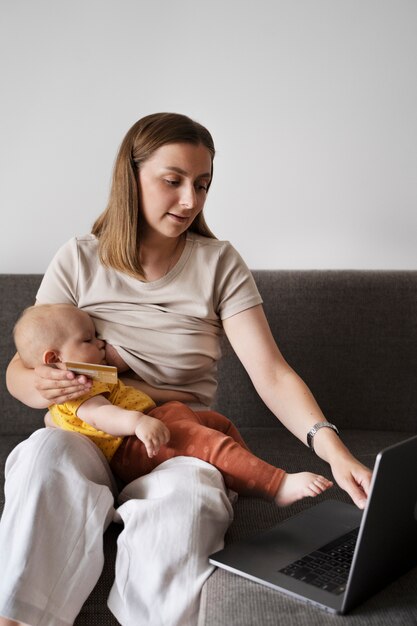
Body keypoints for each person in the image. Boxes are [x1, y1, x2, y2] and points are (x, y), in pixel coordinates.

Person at [1, 112, 372, 626]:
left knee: (190, 494)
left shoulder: (218, 263)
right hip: (90, 430)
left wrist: (334, 451)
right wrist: (37, 382)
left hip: (177, 441)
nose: (189, 202)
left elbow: (272, 374)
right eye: (172, 181)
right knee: (42, 452)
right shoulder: (78, 258)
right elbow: (21, 371)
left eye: (202, 185)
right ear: (130, 177)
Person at [13, 302, 334, 503]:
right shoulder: (74, 389)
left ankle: (241, 476)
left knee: (218, 423)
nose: (100, 343)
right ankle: (275, 485)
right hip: (131, 444)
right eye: (88, 340)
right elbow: (102, 416)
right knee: (204, 441)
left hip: (154, 416)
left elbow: (128, 392)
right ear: (54, 358)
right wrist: (138, 423)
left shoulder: (90, 376)